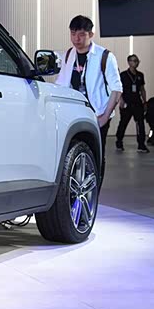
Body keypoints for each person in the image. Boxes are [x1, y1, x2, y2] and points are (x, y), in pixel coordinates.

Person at [56, 15, 123, 183]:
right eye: (73, 34)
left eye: (81, 34)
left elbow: (117, 89)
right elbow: (61, 83)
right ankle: (77, 188)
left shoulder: (104, 56)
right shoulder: (68, 55)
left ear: (91, 34)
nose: (76, 39)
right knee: (73, 153)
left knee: (95, 154)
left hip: (98, 114)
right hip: (75, 113)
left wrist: (105, 117)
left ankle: (94, 189)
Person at [115, 54, 149, 153]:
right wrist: (121, 100)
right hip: (127, 102)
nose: (135, 63)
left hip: (137, 102)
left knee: (140, 123)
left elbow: (142, 89)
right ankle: (119, 141)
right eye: (133, 61)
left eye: (137, 61)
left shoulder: (140, 75)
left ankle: (141, 144)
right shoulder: (123, 75)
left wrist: (145, 101)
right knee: (123, 122)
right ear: (129, 62)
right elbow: (119, 89)